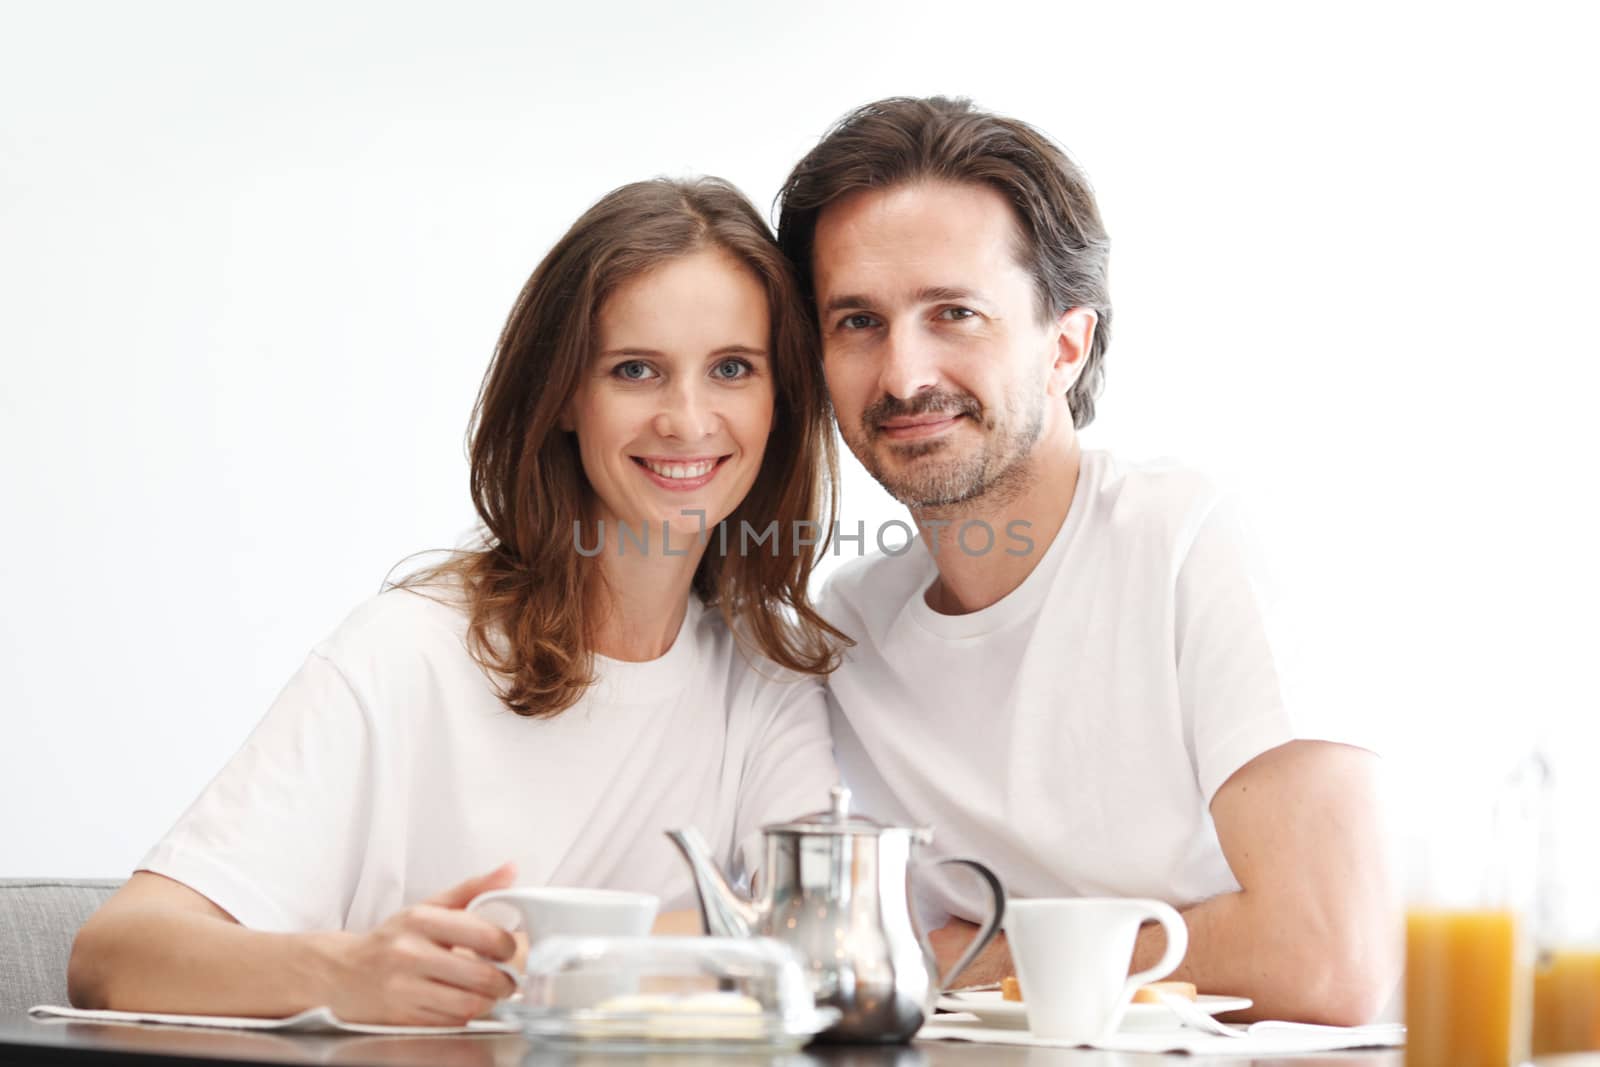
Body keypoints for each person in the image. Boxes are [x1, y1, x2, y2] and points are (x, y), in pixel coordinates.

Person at [69, 177, 844, 1025]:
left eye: (732, 369)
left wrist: (536, 958)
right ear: (563, 402)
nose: (688, 419)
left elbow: (809, 935)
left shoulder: (765, 673)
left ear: (781, 401)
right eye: (635, 370)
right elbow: (115, 956)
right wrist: (340, 972)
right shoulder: (412, 650)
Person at [776, 97, 1400, 1025]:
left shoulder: (1191, 542)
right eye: (859, 322)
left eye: (955, 312)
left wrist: (966, 955)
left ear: (1067, 343)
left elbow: (1328, 956)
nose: (904, 374)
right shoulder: (851, 626)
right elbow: (835, 955)